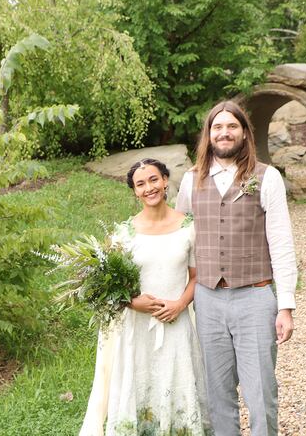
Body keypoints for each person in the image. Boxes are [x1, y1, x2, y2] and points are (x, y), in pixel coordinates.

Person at [175, 101, 297, 436]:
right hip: (208, 298)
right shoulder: (190, 181)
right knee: (217, 393)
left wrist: (285, 305)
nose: (224, 133)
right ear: (208, 134)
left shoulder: (267, 177)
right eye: (218, 127)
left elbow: (282, 243)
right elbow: (180, 240)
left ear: (244, 133)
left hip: (255, 298)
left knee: (260, 393)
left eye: (232, 126)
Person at [80, 158, 212, 435]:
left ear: (165, 181)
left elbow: (198, 276)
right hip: (136, 328)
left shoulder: (189, 227)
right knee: (138, 384)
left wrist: (179, 304)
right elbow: (108, 283)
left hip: (176, 324)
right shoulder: (124, 233)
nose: (149, 187)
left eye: (154, 180)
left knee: (177, 382)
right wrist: (132, 301)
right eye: (141, 184)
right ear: (134, 192)